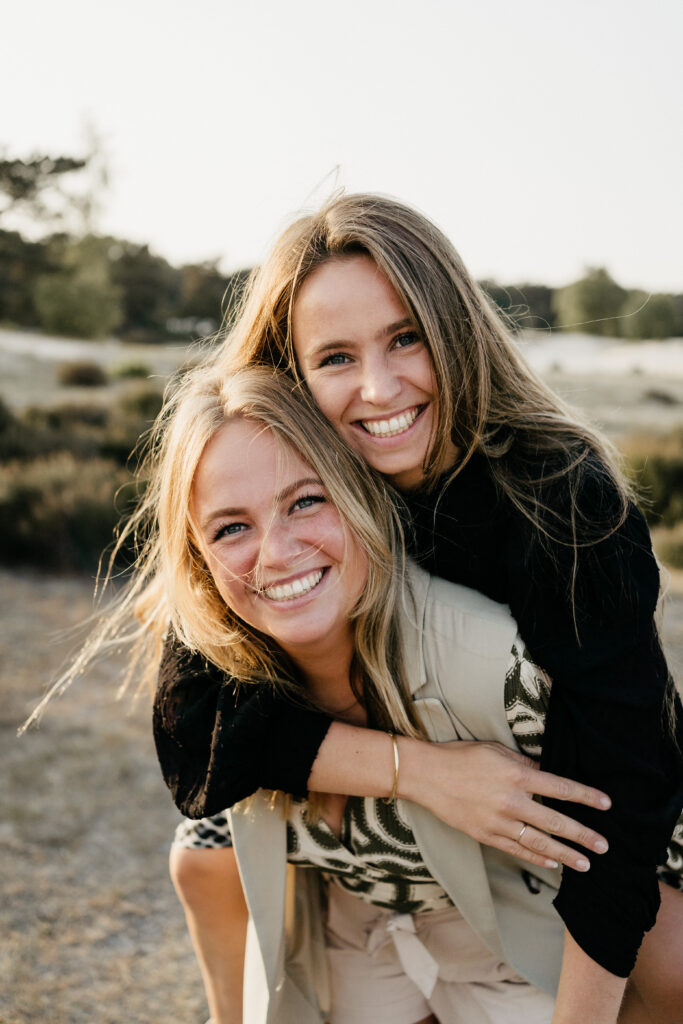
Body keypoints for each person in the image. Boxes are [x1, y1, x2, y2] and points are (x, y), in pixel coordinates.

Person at [157, 193, 682, 1023]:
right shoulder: (291, 486)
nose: (378, 387)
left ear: (454, 331)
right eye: (334, 358)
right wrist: (426, 776)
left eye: (406, 337)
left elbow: (619, 788)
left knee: (671, 957)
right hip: (406, 780)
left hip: (556, 798)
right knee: (206, 851)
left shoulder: (561, 501)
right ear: (293, 377)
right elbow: (193, 732)